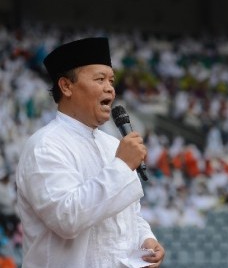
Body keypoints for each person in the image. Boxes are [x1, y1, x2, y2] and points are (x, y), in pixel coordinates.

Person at [15, 37, 165, 267]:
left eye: (112, 81)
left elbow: (129, 214)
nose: (110, 89)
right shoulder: (45, 146)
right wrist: (122, 167)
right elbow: (67, 218)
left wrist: (146, 238)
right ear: (66, 86)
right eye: (100, 79)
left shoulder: (112, 144)